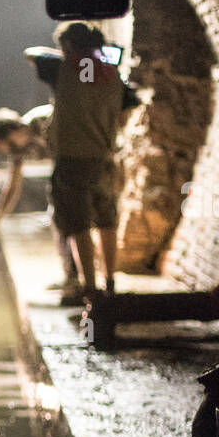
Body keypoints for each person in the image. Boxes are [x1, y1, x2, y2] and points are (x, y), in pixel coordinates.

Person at [47, 22, 128, 298]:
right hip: (103, 158)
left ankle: (90, 288)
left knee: (78, 223)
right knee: (106, 219)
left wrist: (67, 55)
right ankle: (111, 282)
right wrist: (99, 54)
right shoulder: (112, 72)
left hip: (73, 160)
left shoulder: (62, 68)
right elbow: (128, 105)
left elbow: (31, 54)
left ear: (68, 46)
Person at [0, 106, 79, 292]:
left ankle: (81, 279)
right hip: (64, 171)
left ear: (9, 133)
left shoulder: (43, 120)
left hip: (80, 163)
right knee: (57, 217)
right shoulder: (18, 150)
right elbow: (13, 186)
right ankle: (72, 276)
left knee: (73, 220)